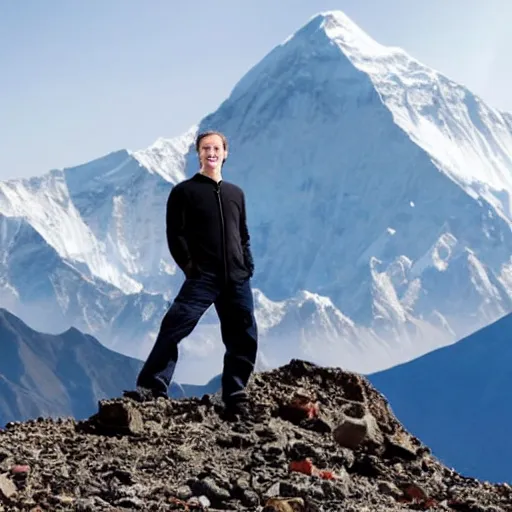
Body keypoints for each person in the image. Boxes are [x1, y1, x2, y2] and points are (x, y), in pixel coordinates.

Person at [125, 130, 258, 418]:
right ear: (198, 153)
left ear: (225, 153)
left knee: (244, 335)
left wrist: (246, 265)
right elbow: (175, 234)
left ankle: (235, 394)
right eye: (205, 148)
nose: (211, 153)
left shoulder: (236, 193)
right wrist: (190, 267)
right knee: (175, 325)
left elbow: (243, 234)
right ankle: (152, 386)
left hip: (237, 277)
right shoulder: (184, 192)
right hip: (203, 276)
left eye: (216, 148)